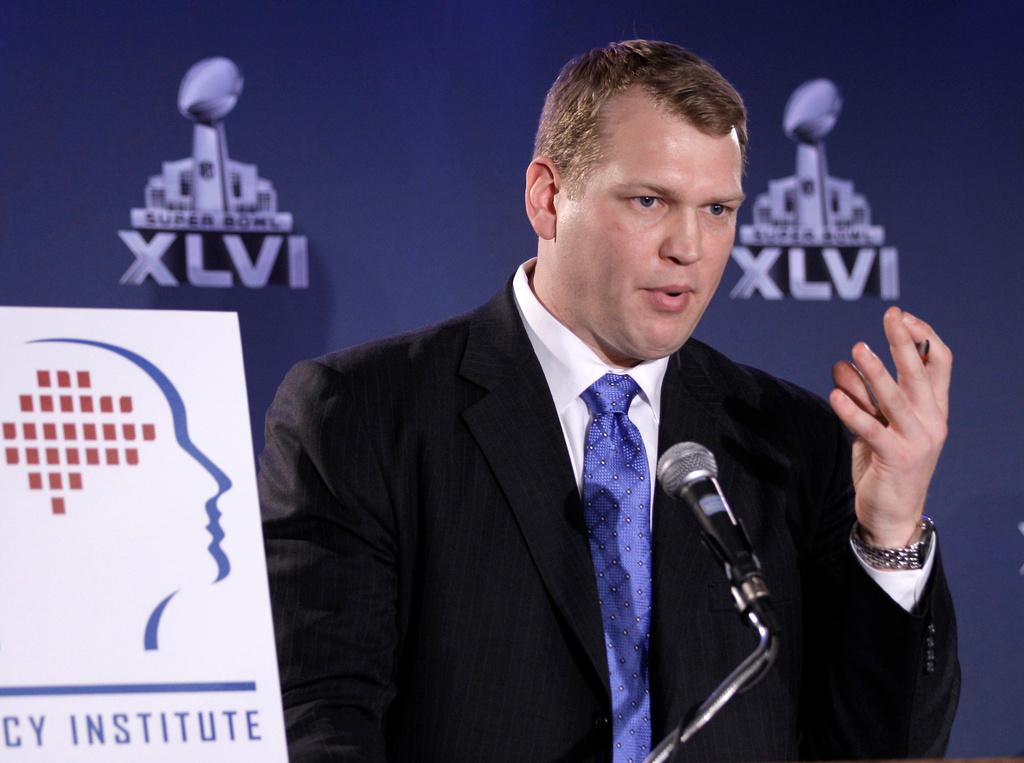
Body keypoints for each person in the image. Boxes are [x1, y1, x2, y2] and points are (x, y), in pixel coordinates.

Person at [259, 40, 958, 762]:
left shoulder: (789, 440)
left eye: (718, 209)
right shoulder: (364, 416)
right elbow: (319, 718)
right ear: (548, 198)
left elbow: (884, 748)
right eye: (649, 200)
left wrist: (890, 532)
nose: (689, 245)